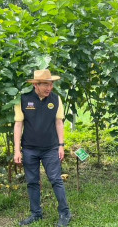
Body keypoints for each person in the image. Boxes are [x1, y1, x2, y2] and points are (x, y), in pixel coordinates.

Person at [13, 69, 71, 226]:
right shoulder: (23, 99)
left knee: (55, 180)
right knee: (32, 182)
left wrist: (61, 145)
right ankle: (36, 214)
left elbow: (59, 123)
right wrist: (17, 150)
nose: (49, 88)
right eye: (45, 84)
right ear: (35, 85)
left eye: (51, 84)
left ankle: (65, 213)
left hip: (50, 148)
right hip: (29, 149)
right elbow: (18, 125)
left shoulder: (56, 99)